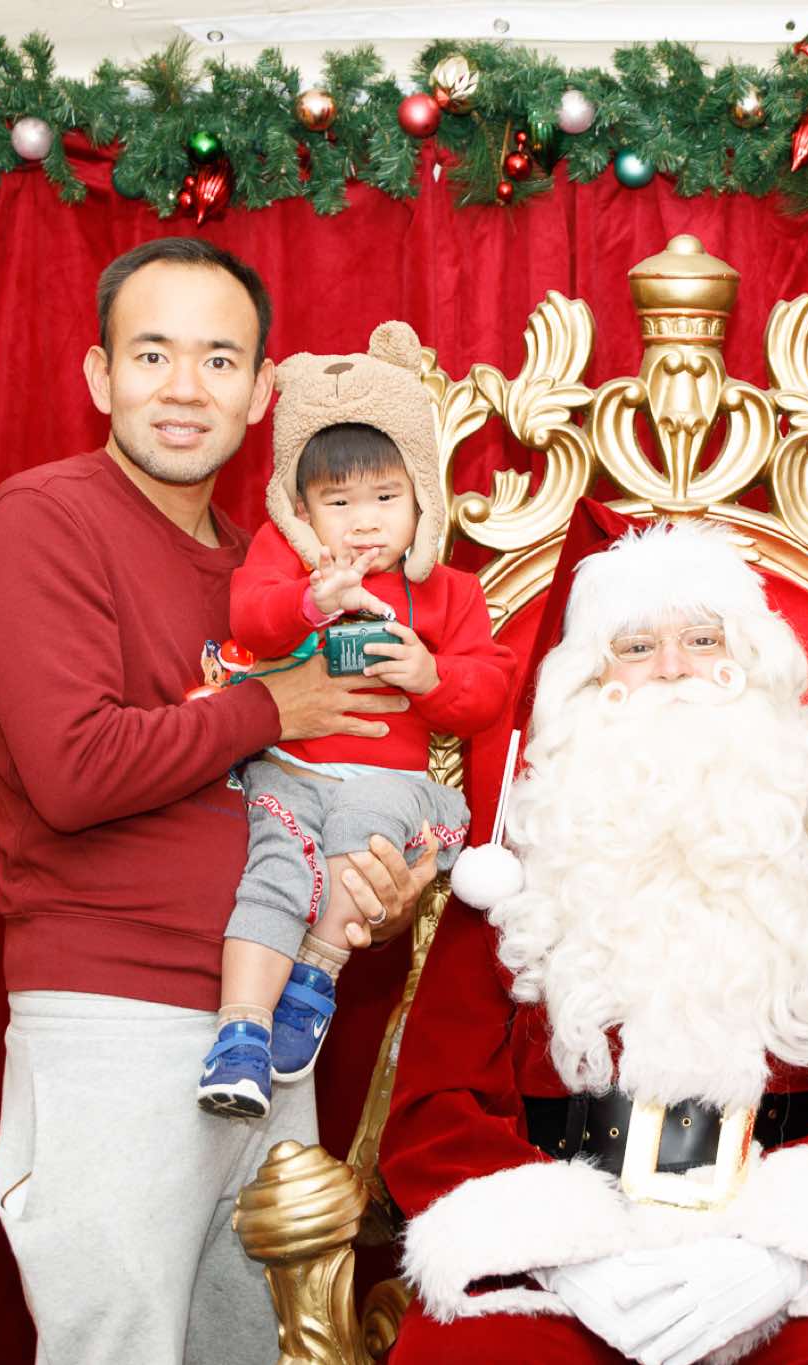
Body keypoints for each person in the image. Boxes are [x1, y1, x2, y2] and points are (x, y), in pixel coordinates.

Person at [0, 237, 436, 1364]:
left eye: (218, 360)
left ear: (261, 392)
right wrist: (276, 704)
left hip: (264, 1024)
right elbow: (73, 770)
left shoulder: (271, 573)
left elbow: (314, 781)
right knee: (118, 1343)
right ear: (99, 375)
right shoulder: (46, 519)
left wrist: (378, 888)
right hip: (116, 1018)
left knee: (259, 1347)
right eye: (152, 354)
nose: (185, 388)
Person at [380, 509, 808, 1365]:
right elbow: (435, 1102)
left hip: (786, 1255)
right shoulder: (511, 875)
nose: (671, 669)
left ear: (753, 662)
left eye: (702, 639)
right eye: (635, 646)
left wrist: (784, 1255)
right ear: (585, 680)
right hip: (565, 1265)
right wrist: (566, 1257)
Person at [197, 324, 514, 1118]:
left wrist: (432, 676)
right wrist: (312, 600)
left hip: (386, 779)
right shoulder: (288, 563)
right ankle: (239, 1032)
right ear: (300, 509)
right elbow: (252, 616)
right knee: (273, 874)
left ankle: (316, 976)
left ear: (422, 499)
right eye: (338, 504)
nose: (364, 522)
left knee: (361, 846)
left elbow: (488, 690)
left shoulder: (449, 592)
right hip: (292, 771)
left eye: (386, 498)